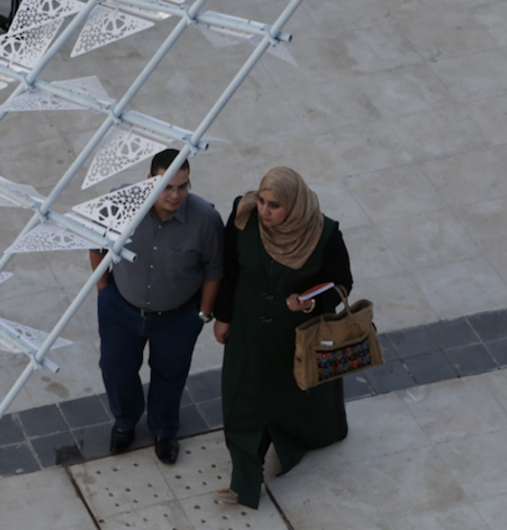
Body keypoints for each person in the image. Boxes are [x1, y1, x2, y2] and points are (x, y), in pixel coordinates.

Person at [212, 167, 353, 508]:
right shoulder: (243, 217)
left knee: (295, 397)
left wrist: (311, 303)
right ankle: (245, 483)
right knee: (242, 401)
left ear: (293, 204)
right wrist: (223, 316)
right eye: (262, 200)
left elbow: (341, 283)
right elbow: (229, 269)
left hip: (295, 336)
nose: (264, 210)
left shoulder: (322, 233)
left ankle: (309, 435)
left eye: (274, 205)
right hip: (247, 330)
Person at [89, 149, 223, 465]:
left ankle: (164, 429)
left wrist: (203, 314)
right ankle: (125, 421)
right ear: (150, 180)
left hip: (177, 317)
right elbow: (97, 245)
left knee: (170, 375)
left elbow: (214, 269)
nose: (175, 195)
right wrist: (104, 290)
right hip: (121, 310)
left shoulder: (205, 219)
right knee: (115, 369)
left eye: (182, 186)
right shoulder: (121, 202)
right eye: (167, 187)